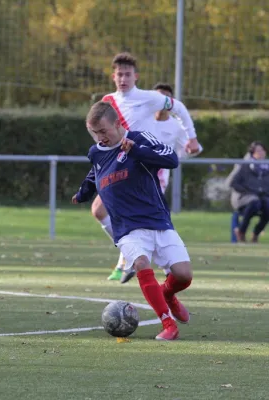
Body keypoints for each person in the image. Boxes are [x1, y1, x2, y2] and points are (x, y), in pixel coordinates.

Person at [73, 101, 193, 341]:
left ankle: (167, 293)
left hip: (157, 220)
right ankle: (168, 324)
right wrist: (83, 192)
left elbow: (171, 159)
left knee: (183, 276)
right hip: (127, 228)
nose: (100, 137)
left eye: (103, 131)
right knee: (140, 262)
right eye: (94, 132)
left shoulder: (140, 138)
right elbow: (94, 173)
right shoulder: (96, 151)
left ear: (118, 124)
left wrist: (135, 151)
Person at [91, 53, 200, 282]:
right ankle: (131, 253)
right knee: (99, 211)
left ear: (136, 76)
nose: (123, 78)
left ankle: (167, 267)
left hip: (145, 168)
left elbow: (178, 106)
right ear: (113, 76)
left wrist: (191, 137)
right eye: (119, 74)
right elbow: (100, 130)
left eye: (127, 74)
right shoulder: (108, 101)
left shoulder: (149, 98)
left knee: (153, 221)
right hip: (119, 167)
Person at [119, 82, 204, 283]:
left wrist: (192, 150)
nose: (161, 102)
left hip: (158, 176)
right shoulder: (144, 119)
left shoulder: (175, 125)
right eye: (159, 96)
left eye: (166, 97)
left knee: (150, 215)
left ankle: (153, 261)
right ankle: (134, 257)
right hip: (134, 172)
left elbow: (190, 148)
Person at [229, 141, 269, 243]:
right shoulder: (244, 165)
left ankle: (255, 234)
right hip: (243, 197)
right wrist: (247, 190)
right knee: (254, 202)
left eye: (262, 150)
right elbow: (232, 182)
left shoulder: (266, 167)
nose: (261, 153)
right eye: (258, 150)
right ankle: (241, 232)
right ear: (252, 152)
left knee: (267, 206)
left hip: (262, 197)